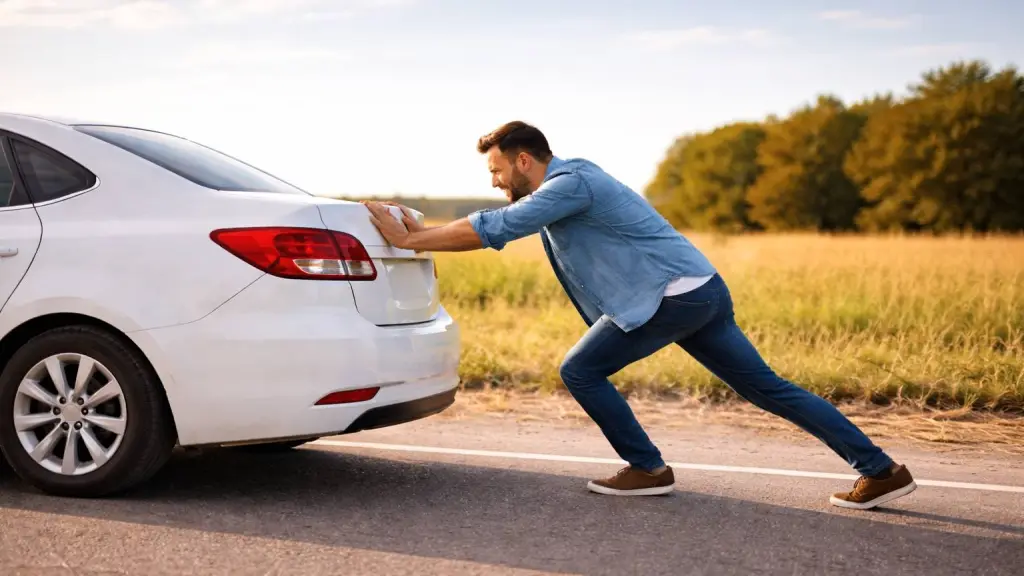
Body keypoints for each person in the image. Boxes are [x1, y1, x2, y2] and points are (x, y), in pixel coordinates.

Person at [363, 120, 917, 510]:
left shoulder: (568, 185)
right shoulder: (573, 180)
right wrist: (417, 235)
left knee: (580, 370)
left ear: (524, 161)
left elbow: (495, 229)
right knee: (770, 389)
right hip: (699, 291)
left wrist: (411, 240)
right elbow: (500, 221)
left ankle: (648, 469)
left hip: (671, 297)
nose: (495, 181)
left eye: (497, 170)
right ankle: (881, 472)